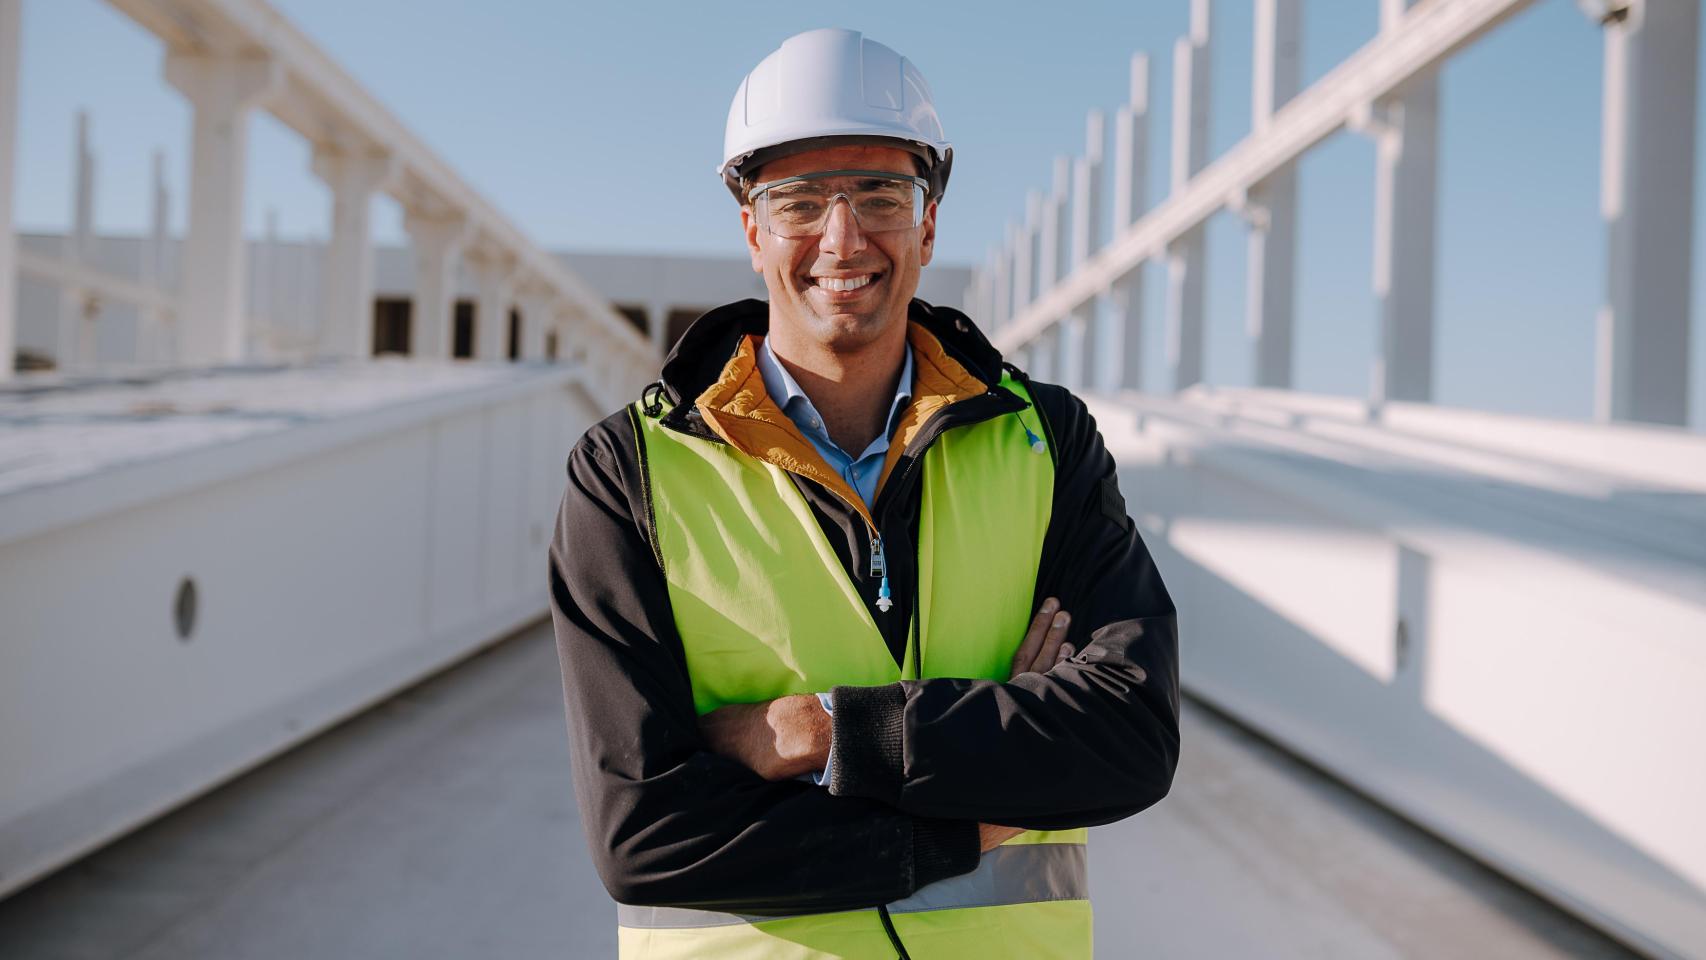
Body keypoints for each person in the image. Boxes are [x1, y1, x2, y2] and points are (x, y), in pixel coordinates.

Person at [548, 27, 1179, 959]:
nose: (842, 239)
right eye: (798, 201)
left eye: (881, 194)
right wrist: (973, 804)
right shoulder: (629, 473)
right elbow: (646, 833)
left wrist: (820, 729)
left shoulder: (1045, 442)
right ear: (750, 228)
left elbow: (1128, 733)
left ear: (928, 221)